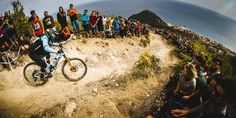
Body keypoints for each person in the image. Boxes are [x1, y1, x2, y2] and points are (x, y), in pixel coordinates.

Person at [171, 78, 236, 118]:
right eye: (215, 90)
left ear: (226, 101)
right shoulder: (214, 100)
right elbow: (203, 105)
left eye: (217, 93)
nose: (213, 93)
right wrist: (187, 112)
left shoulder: (218, 116)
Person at [28, 11, 60, 77]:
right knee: (44, 58)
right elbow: (46, 47)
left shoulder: (39, 20)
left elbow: (50, 43)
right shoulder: (44, 37)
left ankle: (46, 67)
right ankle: (44, 70)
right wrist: (56, 52)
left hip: (39, 39)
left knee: (47, 53)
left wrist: (58, 45)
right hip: (33, 50)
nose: (34, 15)